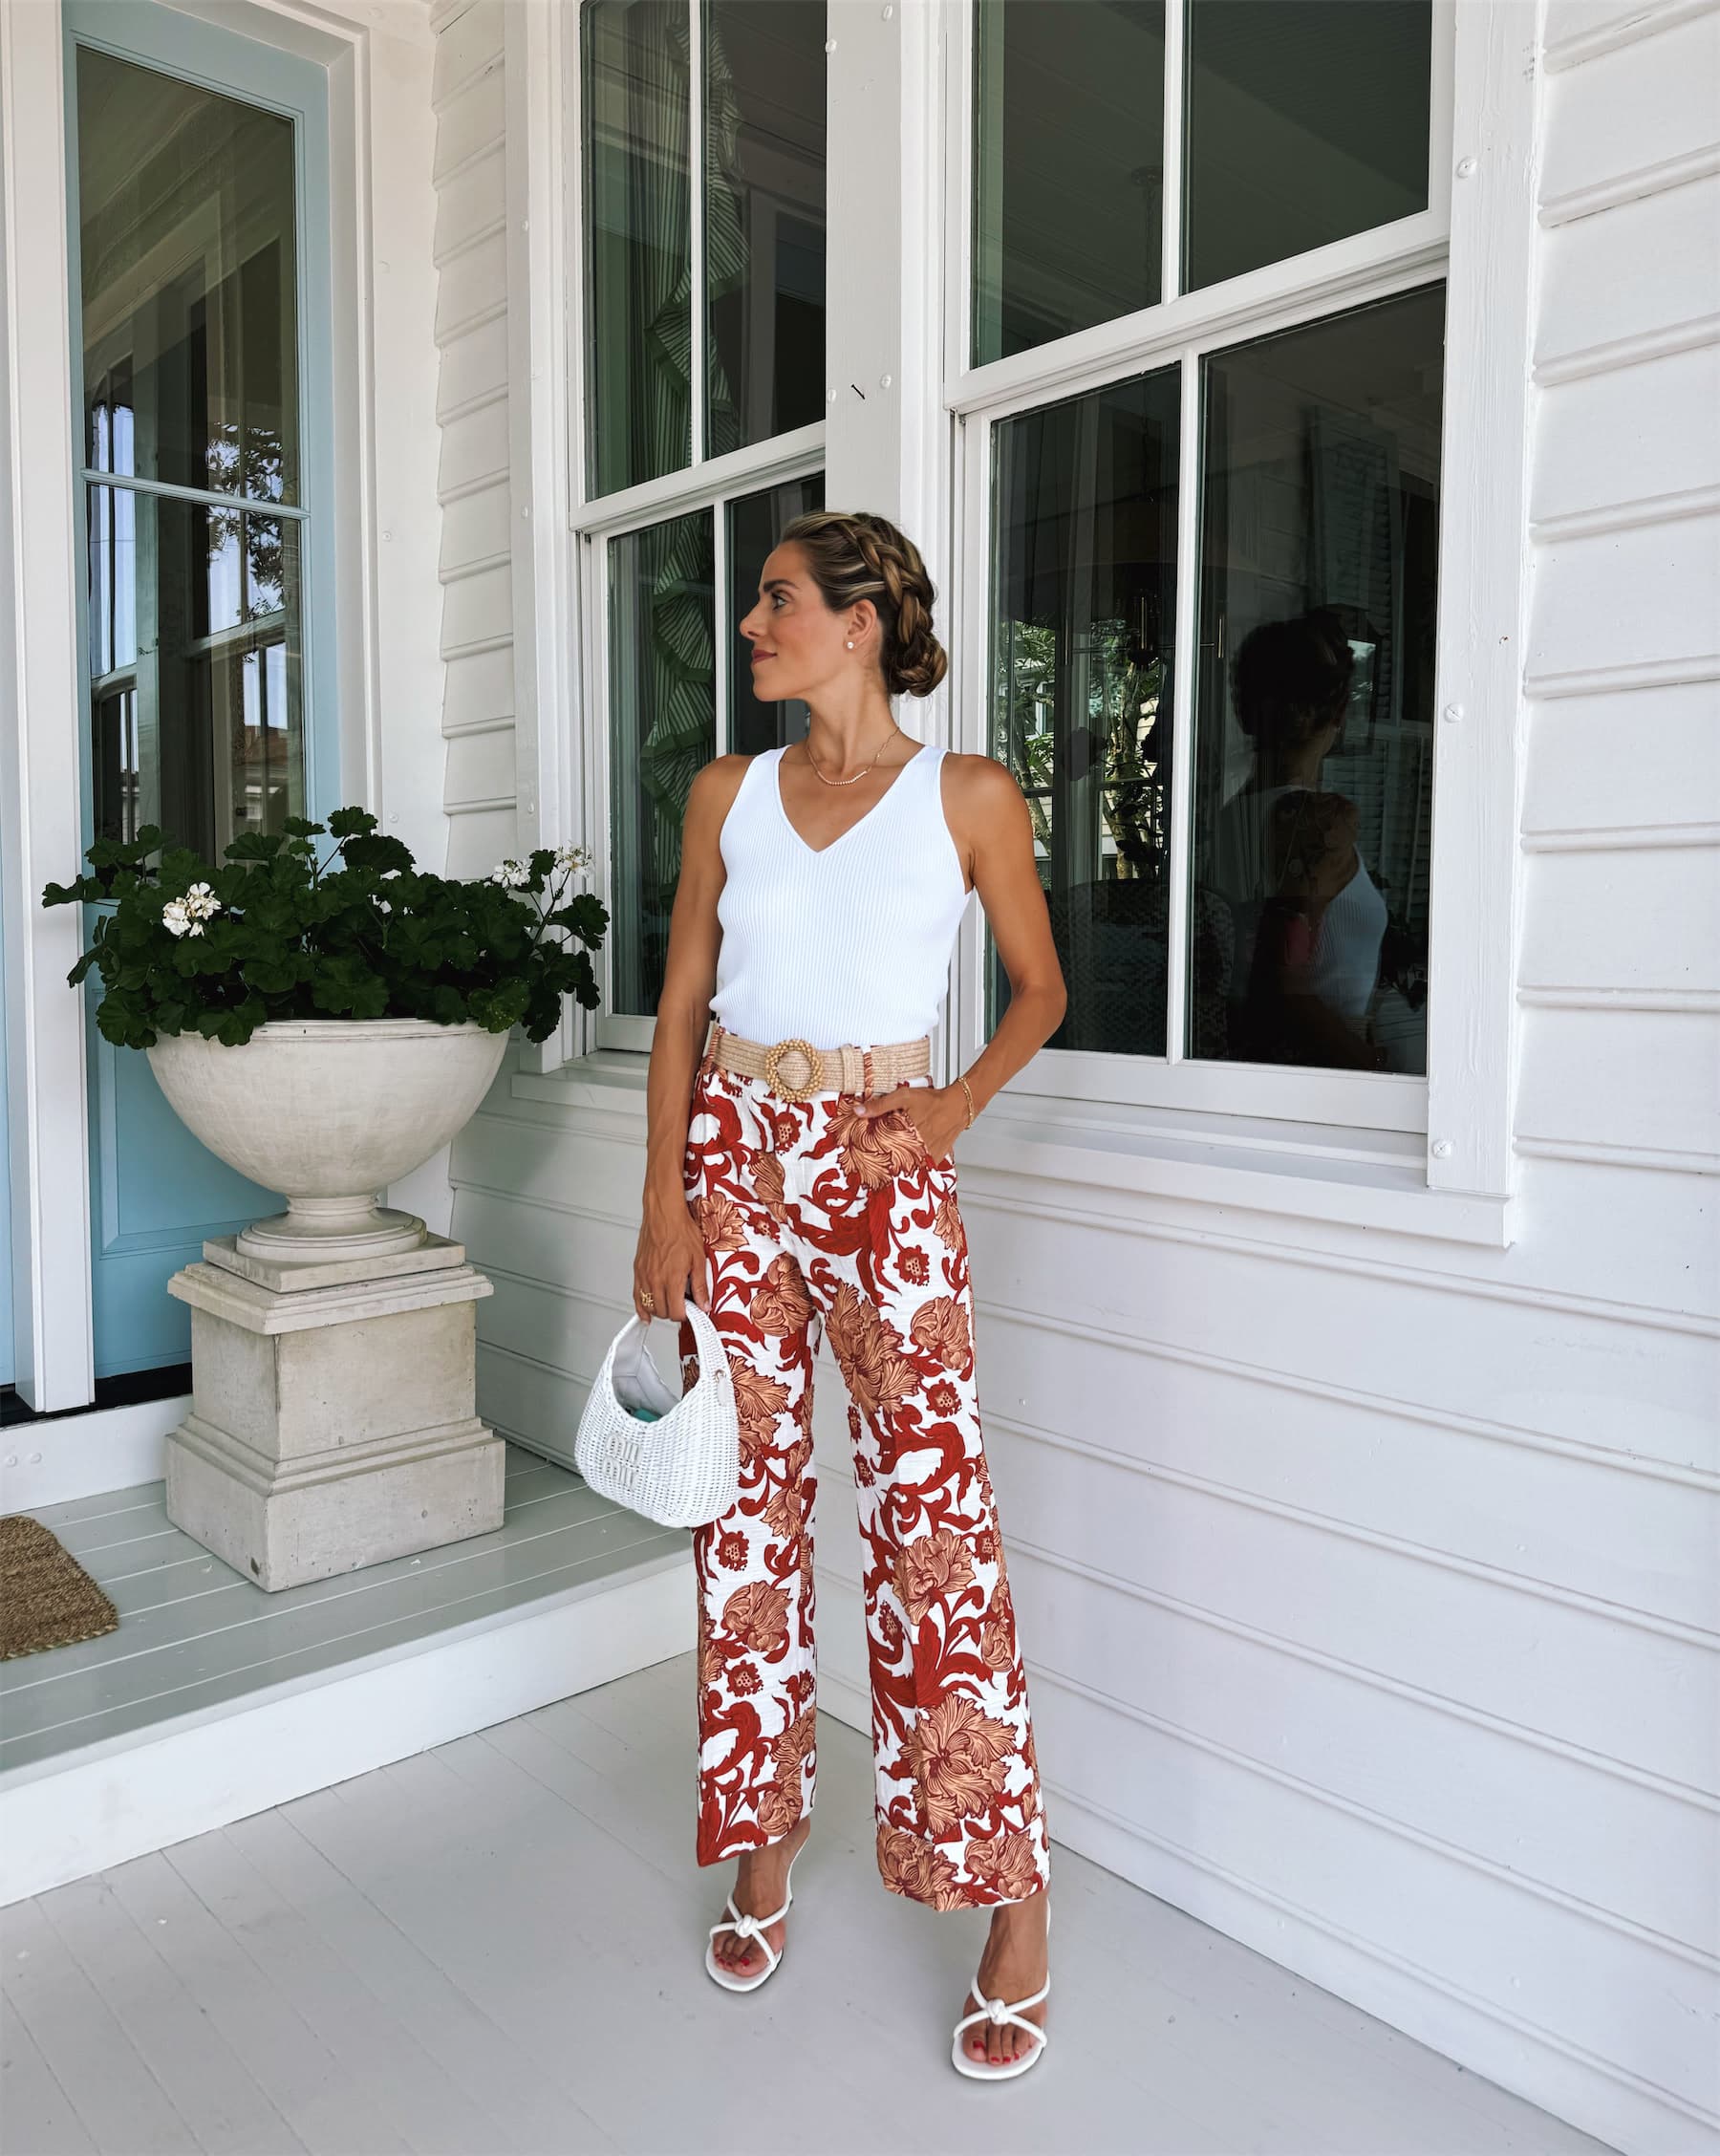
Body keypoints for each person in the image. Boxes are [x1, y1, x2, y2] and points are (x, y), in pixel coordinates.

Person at [631, 508, 1066, 2079]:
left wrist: (944, 1115)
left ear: (866, 621)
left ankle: (1006, 1895)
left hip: (889, 1164)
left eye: (779, 600)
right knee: (740, 1514)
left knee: (931, 1531)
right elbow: (682, 994)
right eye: (758, 600)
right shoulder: (726, 796)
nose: (751, 624)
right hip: (737, 1154)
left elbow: (1041, 989)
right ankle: (761, 1832)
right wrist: (664, 1193)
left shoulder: (968, 797)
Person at [1207, 608, 1389, 1070]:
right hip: (1325, 1064)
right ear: (1340, 713)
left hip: (1256, 1059)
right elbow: (1285, 989)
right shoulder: (1317, 822)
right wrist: (1374, 1071)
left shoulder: (1228, 820)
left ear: (1244, 713)